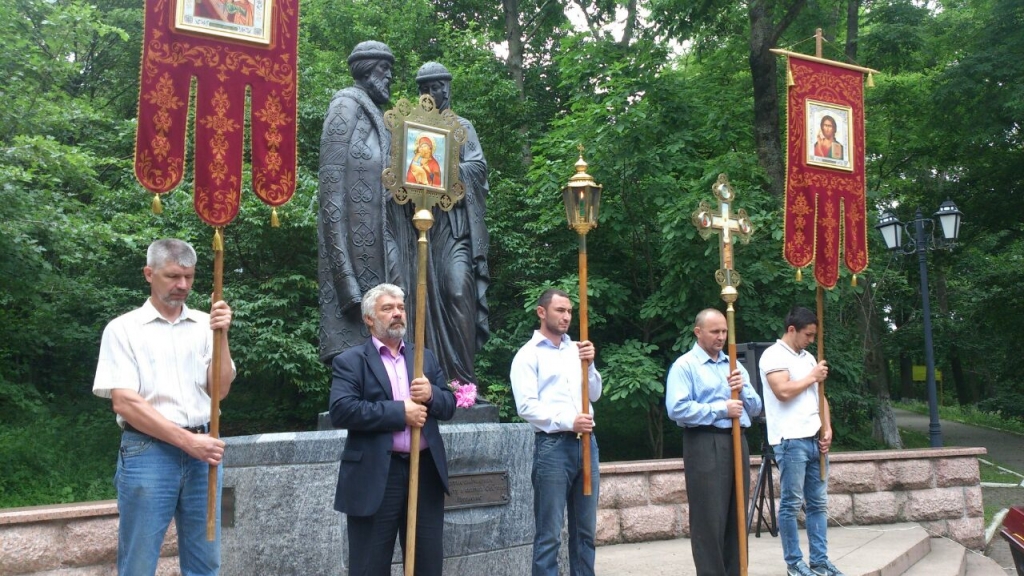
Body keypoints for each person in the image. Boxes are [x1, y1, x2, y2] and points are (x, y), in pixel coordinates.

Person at [92, 238, 236, 576]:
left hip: (205, 453)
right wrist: (188, 442)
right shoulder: (123, 329)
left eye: (188, 276)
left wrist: (223, 334)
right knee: (139, 562)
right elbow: (124, 402)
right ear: (148, 273)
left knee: (207, 561)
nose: (182, 285)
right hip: (148, 452)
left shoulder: (206, 323)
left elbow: (221, 390)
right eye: (173, 276)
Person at [328, 283, 456, 576]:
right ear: (369, 318)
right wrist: (401, 412)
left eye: (400, 308)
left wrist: (433, 395)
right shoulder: (350, 362)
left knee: (427, 563)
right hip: (375, 476)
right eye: (388, 308)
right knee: (370, 565)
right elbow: (343, 410)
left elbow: (448, 406)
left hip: (423, 472)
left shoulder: (423, 356)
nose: (397, 313)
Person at [318, 40, 417, 364]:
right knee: (365, 322)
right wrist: (344, 276)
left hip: (385, 232)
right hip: (355, 245)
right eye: (383, 69)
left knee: (398, 302)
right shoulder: (344, 106)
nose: (389, 76)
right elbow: (330, 191)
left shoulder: (380, 118)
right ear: (365, 70)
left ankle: (398, 377)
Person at [510, 288, 602, 576]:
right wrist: (568, 421)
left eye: (570, 311)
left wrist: (589, 365)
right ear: (542, 312)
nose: (566, 317)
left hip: (587, 445)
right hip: (553, 447)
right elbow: (526, 407)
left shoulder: (578, 349)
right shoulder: (527, 355)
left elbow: (595, 394)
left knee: (585, 531)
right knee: (550, 533)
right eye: (560, 310)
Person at [665, 308, 762, 576]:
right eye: (715, 331)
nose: (721, 337)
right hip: (705, 442)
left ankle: (736, 571)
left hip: (736, 441)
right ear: (698, 332)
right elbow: (677, 409)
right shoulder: (685, 366)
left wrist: (742, 387)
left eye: (724, 331)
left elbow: (755, 407)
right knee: (709, 518)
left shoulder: (733, 364)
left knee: (737, 515)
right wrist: (721, 409)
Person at [412, 61, 491, 386]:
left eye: (440, 86)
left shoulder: (462, 127)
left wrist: (445, 171)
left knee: (458, 291)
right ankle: (428, 378)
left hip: (455, 228)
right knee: (422, 301)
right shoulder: (413, 129)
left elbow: (479, 167)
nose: (436, 92)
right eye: (429, 88)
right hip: (422, 229)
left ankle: (462, 380)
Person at [758, 306, 844, 576]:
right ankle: (794, 564)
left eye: (813, 335)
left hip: (814, 438)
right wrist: (811, 377)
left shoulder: (808, 358)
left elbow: (821, 397)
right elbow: (783, 391)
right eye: (807, 334)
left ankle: (819, 561)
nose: (810, 339)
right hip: (790, 439)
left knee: (818, 503)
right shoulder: (772, 355)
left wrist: (827, 428)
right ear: (792, 329)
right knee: (791, 504)